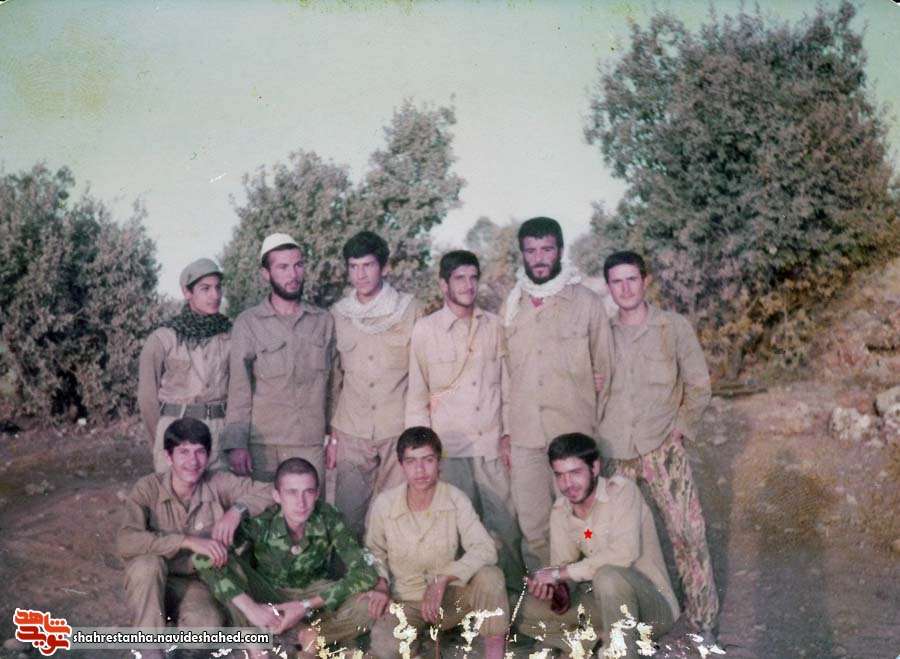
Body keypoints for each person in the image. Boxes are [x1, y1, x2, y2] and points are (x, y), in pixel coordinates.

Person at [596, 250, 718, 636]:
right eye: (617, 282)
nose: (625, 288)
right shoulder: (602, 334)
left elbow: (699, 385)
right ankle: (633, 621)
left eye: (632, 279)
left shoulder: (672, 327)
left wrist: (680, 428)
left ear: (645, 281)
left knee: (687, 533)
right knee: (615, 538)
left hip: (662, 446)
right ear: (608, 287)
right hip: (615, 453)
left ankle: (702, 622)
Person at [406, 249, 525, 591]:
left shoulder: (493, 326)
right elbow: (417, 394)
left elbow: (507, 385)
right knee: (454, 532)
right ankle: (460, 603)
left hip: (490, 445)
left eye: (473, 278)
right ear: (444, 284)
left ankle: (514, 597)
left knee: (506, 527)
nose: (468, 285)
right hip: (449, 450)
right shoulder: (426, 330)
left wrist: (508, 434)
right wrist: (421, 454)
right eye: (459, 278)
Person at [500, 216, 611, 569]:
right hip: (526, 438)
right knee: (534, 524)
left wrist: (598, 434)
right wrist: (507, 431)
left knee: (584, 521)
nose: (539, 258)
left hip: (574, 434)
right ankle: (546, 591)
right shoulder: (512, 306)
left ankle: (588, 586)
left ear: (560, 251)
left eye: (546, 249)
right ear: (522, 254)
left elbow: (606, 372)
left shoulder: (586, 302)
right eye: (531, 251)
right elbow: (505, 374)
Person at [116, 418, 272, 659]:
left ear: (208, 456)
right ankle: (149, 649)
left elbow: (269, 491)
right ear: (168, 457)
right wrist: (186, 541)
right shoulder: (148, 488)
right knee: (147, 564)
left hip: (194, 582)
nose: (193, 461)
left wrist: (236, 511)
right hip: (153, 581)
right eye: (183, 452)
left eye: (200, 452)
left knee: (206, 628)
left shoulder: (217, 482)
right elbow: (127, 541)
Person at [193, 458, 378, 659]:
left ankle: (308, 638)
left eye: (308, 492)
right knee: (225, 565)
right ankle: (269, 639)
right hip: (270, 596)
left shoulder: (328, 516)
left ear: (317, 493)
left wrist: (305, 606)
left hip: (315, 596)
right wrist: (252, 609)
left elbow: (365, 571)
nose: (301, 502)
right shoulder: (261, 520)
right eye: (292, 492)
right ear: (276, 495)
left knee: (367, 607)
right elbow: (203, 557)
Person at [520, 433, 678, 659]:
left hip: (652, 610)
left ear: (594, 468)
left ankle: (619, 651)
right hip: (604, 606)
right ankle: (600, 640)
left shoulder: (622, 492)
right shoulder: (561, 510)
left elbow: (624, 554)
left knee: (608, 576)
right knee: (519, 609)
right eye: (560, 475)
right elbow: (564, 571)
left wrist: (559, 573)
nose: (567, 484)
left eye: (575, 473)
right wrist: (554, 591)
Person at [363, 427, 510, 659]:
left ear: (439, 463)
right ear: (401, 465)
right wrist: (381, 583)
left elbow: (485, 548)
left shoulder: (455, 498)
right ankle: (423, 645)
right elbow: (373, 551)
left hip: (449, 599)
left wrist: (443, 579)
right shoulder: (385, 504)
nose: (420, 470)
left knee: (491, 576)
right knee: (386, 646)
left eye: (428, 460)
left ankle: (494, 652)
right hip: (405, 601)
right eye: (411, 462)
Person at [222, 233, 337, 482]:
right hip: (262, 447)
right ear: (266, 273)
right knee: (260, 506)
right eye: (283, 267)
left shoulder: (323, 321)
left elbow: (333, 388)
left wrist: (334, 439)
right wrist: (237, 443)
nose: (293, 275)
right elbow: (239, 390)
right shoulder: (248, 323)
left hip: (309, 445)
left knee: (309, 506)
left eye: (298, 265)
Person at [329, 230, 420, 538]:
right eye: (353, 267)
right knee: (347, 517)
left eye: (367, 265)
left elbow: (422, 373)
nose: (360, 274)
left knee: (396, 516)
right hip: (352, 432)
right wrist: (332, 435)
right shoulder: (339, 314)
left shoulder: (409, 309)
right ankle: (351, 570)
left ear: (384, 267)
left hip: (397, 430)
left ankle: (393, 570)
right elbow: (335, 377)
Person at [138, 258, 231, 473]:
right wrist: (162, 440)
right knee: (175, 493)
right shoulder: (162, 339)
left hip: (219, 432)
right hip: (176, 429)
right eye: (205, 289)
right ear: (187, 292)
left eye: (218, 287)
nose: (215, 295)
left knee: (218, 492)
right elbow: (147, 400)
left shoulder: (231, 336)